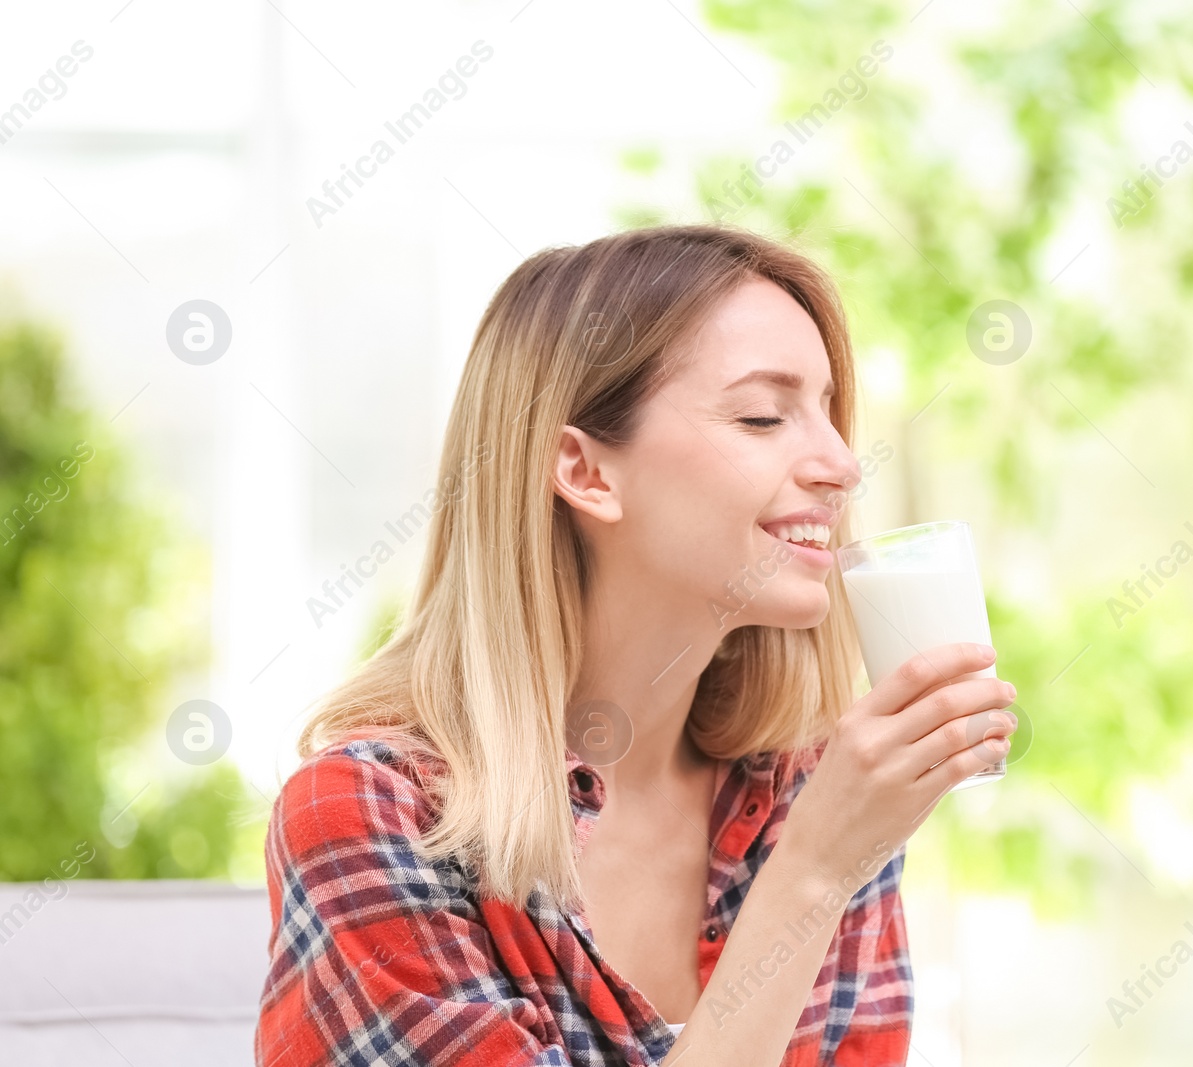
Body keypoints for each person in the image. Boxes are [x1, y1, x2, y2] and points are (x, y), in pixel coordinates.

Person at [253, 224, 1018, 1067]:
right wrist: (808, 879)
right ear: (584, 472)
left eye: (830, 415)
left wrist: (829, 853)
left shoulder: (814, 794)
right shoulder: (373, 820)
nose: (842, 462)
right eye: (764, 415)